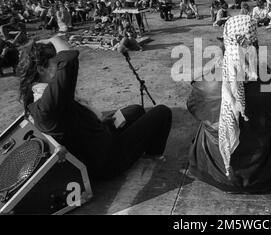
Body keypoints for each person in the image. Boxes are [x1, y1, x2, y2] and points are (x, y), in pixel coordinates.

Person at [17, 36, 172, 179]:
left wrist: (101, 122)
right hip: (107, 160)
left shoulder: (39, 97)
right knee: (162, 112)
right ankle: (152, 157)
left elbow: (73, 124)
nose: (58, 65)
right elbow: (69, 56)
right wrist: (53, 38)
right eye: (55, 61)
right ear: (41, 69)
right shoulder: (49, 103)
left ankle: (127, 137)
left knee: (136, 110)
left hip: (96, 140)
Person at [188, 15, 271, 193]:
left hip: (213, 173)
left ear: (224, 46)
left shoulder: (204, 83)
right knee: (269, 121)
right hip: (262, 175)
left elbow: (192, 108)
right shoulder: (270, 83)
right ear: (255, 47)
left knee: (207, 121)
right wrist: (264, 71)